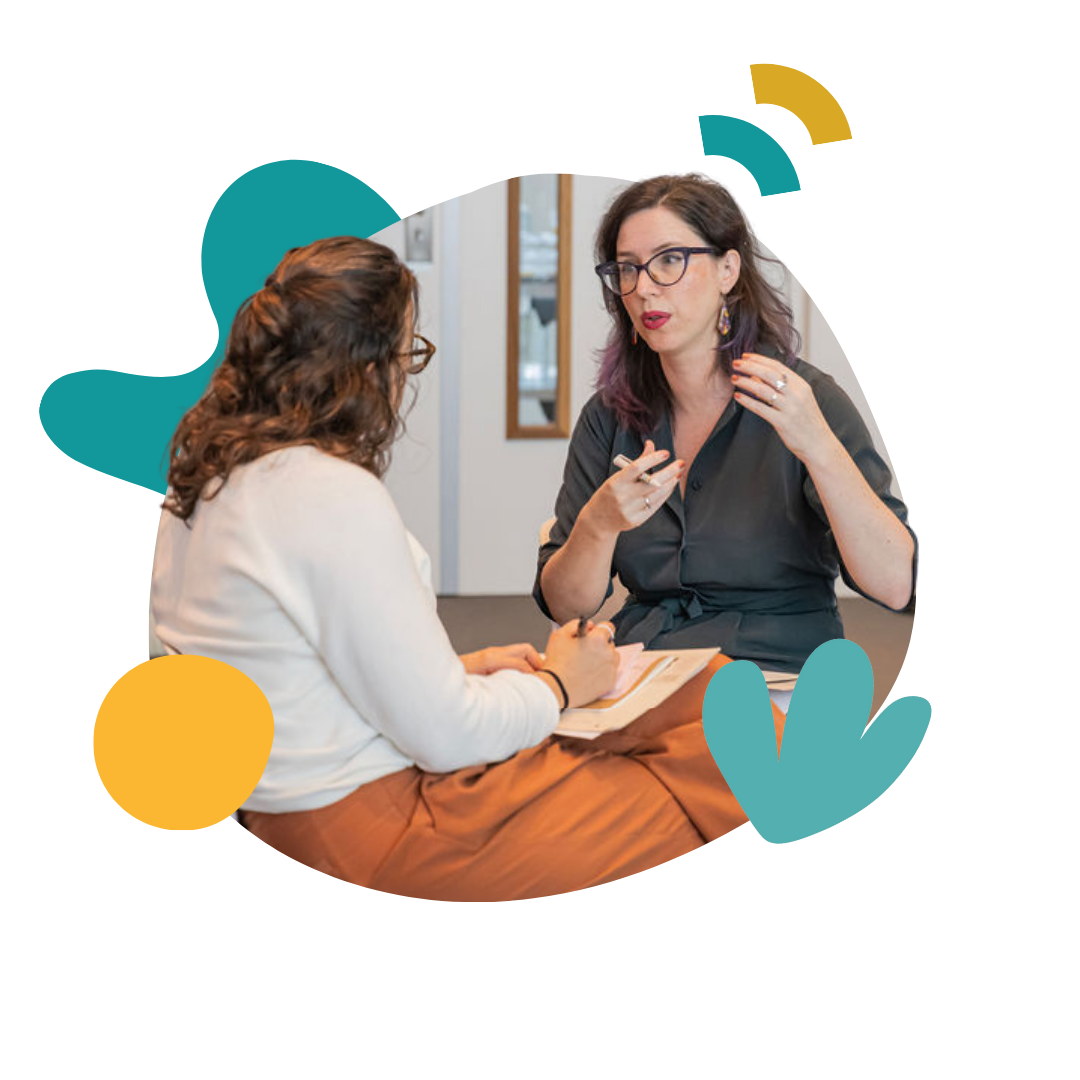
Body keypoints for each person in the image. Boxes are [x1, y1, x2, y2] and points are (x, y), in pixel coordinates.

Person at [151, 235, 785, 902]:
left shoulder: (201, 481)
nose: (403, 379)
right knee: (700, 779)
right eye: (406, 356)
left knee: (711, 691)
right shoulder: (324, 491)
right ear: (364, 367)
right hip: (374, 829)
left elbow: (291, 669)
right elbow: (446, 738)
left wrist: (458, 669)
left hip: (309, 796)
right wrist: (560, 689)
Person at [534, 172, 918, 675]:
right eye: (627, 269)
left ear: (727, 270)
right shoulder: (609, 416)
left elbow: (895, 584)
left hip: (775, 671)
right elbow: (569, 607)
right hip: (645, 672)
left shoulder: (806, 400)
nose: (645, 288)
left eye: (670, 260)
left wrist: (819, 448)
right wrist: (598, 524)